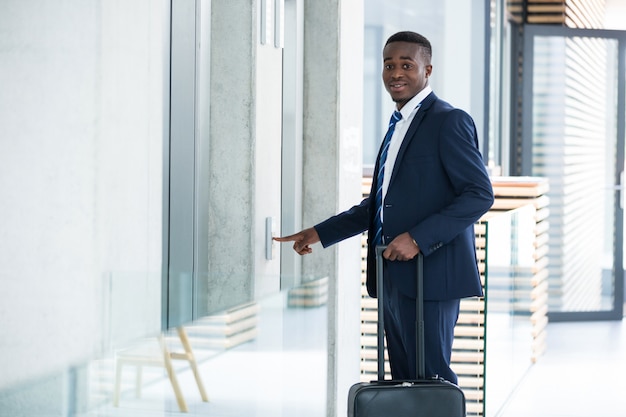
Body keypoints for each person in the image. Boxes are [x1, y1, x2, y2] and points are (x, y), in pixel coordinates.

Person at [274, 31, 494, 384]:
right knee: (405, 383)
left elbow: (479, 194)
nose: (396, 73)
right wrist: (319, 232)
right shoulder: (397, 127)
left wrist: (419, 239)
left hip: (430, 278)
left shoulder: (448, 120)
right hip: (393, 276)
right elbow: (378, 205)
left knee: (432, 382)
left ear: (428, 70)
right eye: (389, 65)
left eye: (407, 65)